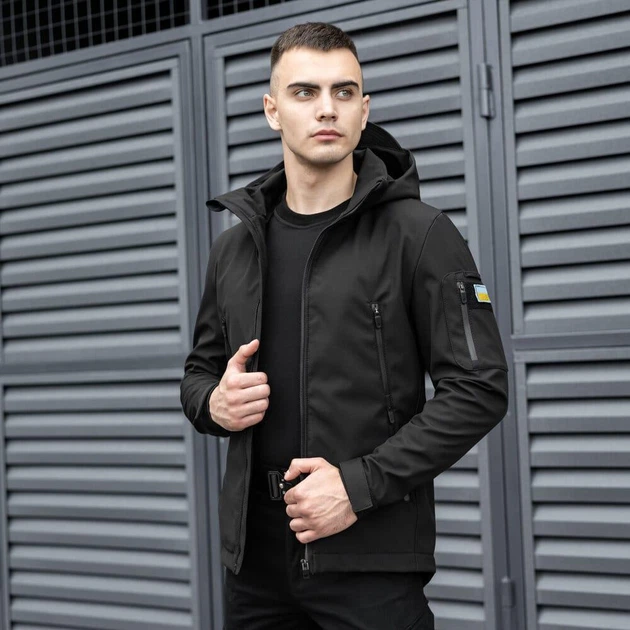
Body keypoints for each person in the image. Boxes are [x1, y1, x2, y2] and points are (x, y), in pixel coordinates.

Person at [180, 22, 508, 630]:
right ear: (273, 111)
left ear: (364, 110)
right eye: (305, 92)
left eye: (344, 91)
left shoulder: (420, 234)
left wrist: (357, 487)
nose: (326, 108)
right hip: (254, 568)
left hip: (370, 562)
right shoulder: (235, 248)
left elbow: (479, 387)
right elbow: (199, 374)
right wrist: (214, 404)